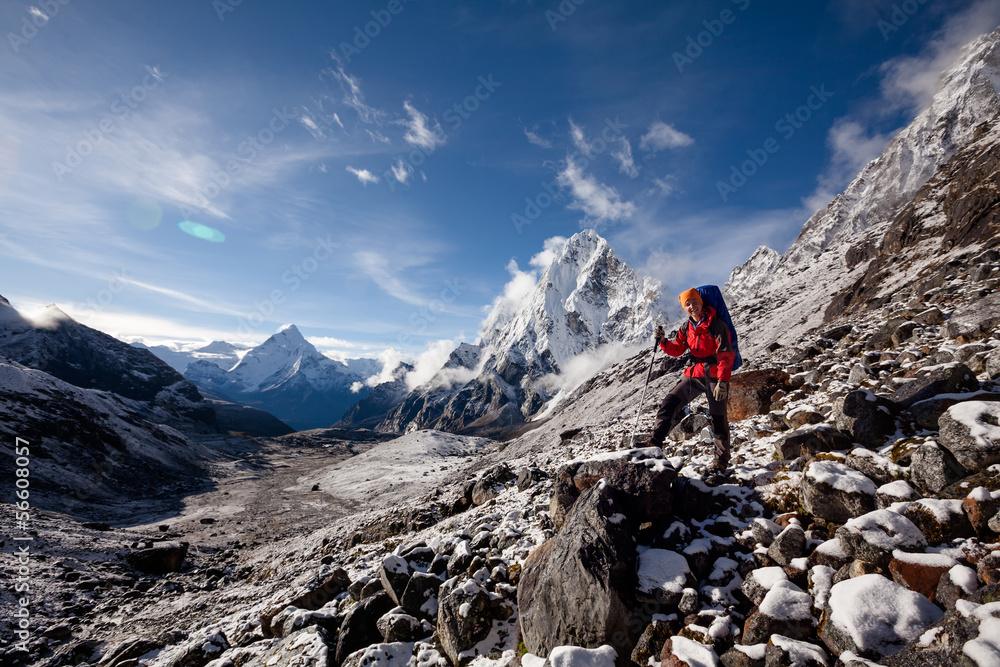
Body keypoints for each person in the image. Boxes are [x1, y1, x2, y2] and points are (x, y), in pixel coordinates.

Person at [646, 287, 735, 474]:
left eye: (694, 302)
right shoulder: (687, 327)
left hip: (714, 376)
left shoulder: (716, 324)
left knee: (718, 418)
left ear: (701, 302)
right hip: (694, 375)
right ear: (684, 308)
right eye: (688, 304)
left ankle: (721, 460)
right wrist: (663, 341)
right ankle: (654, 443)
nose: (692, 306)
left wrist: (723, 382)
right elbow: (677, 349)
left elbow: (726, 355)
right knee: (669, 402)